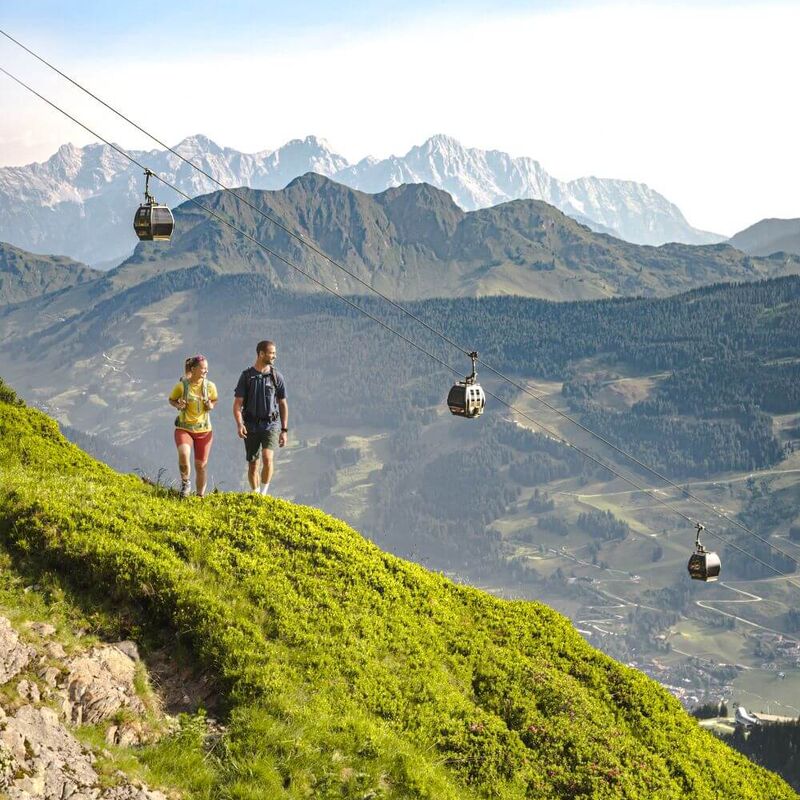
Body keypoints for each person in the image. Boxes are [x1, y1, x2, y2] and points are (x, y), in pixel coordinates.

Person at [233, 340, 288, 495]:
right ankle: (256, 493)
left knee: (267, 458)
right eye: (271, 353)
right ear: (261, 354)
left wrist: (284, 430)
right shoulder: (246, 376)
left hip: (271, 424)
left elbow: (283, 404)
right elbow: (237, 405)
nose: (274, 356)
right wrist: (240, 424)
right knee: (253, 464)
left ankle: (263, 495)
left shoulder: (276, 377)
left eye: (275, 353)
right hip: (250, 425)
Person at [168, 354, 218, 499]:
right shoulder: (182, 386)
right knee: (184, 454)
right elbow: (171, 399)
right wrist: (178, 405)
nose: (206, 371)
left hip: (204, 431)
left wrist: (210, 405)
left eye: (207, 368)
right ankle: (186, 483)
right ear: (193, 369)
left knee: (201, 465)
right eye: (203, 368)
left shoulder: (210, 386)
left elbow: (214, 400)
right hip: (184, 428)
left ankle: (199, 497)